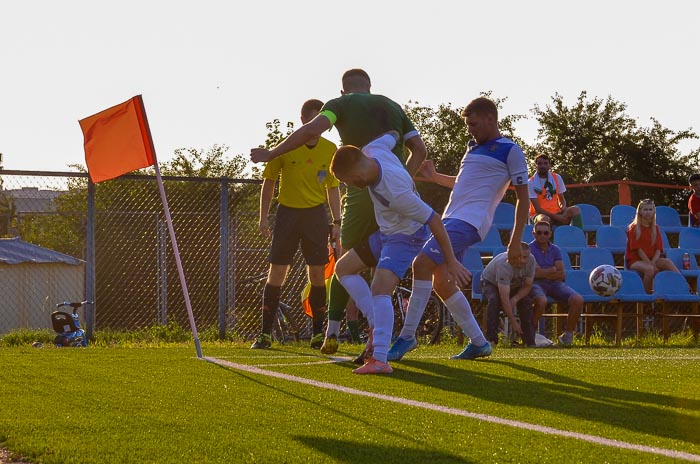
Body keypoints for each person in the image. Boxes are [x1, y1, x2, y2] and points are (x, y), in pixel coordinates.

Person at [251, 69, 428, 355]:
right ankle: (396, 336)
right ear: (370, 88)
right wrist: (403, 182)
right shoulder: (392, 105)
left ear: (343, 91)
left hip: (362, 194)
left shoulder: (339, 105)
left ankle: (340, 332)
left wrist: (271, 153)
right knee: (383, 269)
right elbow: (419, 150)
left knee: (346, 266)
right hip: (398, 198)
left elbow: (311, 129)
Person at [387, 96, 530, 362]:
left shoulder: (510, 149)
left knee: (421, 264)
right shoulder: (472, 147)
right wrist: (435, 177)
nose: (470, 130)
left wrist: (515, 240)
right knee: (441, 282)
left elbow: (524, 197)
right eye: (468, 125)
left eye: (474, 124)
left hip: (469, 222)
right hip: (451, 220)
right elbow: (464, 182)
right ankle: (479, 342)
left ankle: (407, 337)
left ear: (491, 119)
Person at [330, 132, 469, 374]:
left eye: (349, 181)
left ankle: (380, 359)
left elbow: (434, 220)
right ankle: (376, 323)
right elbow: (393, 134)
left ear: (357, 173)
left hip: (406, 236)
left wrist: (451, 260)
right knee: (342, 269)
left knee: (380, 287)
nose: (350, 187)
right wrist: (401, 134)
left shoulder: (394, 192)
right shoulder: (373, 148)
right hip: (385, 233)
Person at [250, 99, 341, 350]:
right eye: (311, 122)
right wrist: (263, 217)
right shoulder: (285, 148)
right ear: (303, 122)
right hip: (287, 215)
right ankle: (265, 335)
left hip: (315, 216)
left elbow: (333, 188)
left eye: (320, 123)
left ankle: (317, 334)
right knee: (277, 273)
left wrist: (336, 221)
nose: (316, 128)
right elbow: (269, 182)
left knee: (317, 274)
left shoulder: (330, 149)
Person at [528, 218, 583, 347]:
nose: (542, 235)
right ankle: (529, 335)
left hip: (555, 284)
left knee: (578, 299)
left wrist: (543, 271)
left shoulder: (555, 249)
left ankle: (567, 336)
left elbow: (562, 274)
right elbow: (533, 274)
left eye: (545, 233)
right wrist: (552, 269)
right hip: (535, 284)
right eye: (539, 232)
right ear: (534, 233)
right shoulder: (528, 249)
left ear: (550, 234)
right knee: (541, 301)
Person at [482, 243, 536, 347]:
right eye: (522, 257)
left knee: (526, 302)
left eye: (527, 257)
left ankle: (529, 341)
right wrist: (514, 323)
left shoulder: (531, 260)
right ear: (514, 255)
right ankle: (491, 339)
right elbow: (504, 298)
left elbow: (527, 286)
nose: (525, 261)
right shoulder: (504, 265)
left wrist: (515, 299)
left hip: (513, 284)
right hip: (491, 283)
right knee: (494, 300)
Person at [625, 199, 680, 293]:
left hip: (652, 259)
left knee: (667, 262)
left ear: (654, 212)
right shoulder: (633, 228)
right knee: (650, 270)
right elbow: (638, 250)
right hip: (636, 260)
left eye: (650, 210)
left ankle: (684, 285)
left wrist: (653, 262)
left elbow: (658, 249)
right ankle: (647, 297)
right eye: (645, 209)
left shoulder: (655, 228)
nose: (648, 212)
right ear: (640, 212)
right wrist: (651, 264)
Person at [528, 154, 582, 227]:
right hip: (538, 215)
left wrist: (563, 210)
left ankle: (578, 235)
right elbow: (538, 209)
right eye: (540, 163)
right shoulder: (530, 182)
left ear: (549, 165)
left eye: (545, 163)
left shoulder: (557, 177)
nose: (542, 166)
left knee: (575, 210)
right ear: (536, 166)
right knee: (544, 218)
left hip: (557, 212)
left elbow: (562, 200)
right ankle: (548, 237)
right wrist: (558, 218)